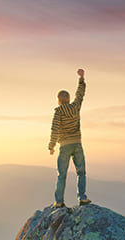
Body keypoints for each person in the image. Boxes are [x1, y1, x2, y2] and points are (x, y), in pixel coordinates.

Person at [48, 68, 90, 208]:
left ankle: (59, 201)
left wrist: (51, 146)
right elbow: (80, 94)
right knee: (81, 173)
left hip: (65, 146)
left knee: (62, 175)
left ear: (59, 100)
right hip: (77, 144)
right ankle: (82, 198)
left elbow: (55, 129)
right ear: (69, 99)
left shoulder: (58, 112)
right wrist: (81, 78)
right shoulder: (76, 107)